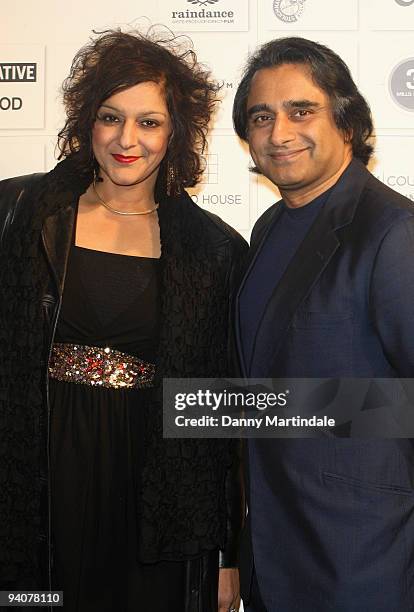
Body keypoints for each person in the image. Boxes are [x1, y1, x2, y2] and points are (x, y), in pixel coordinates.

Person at [0, 29, 246, 612]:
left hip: (154, 491)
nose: (127, 139)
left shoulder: (213, 251)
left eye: (149, 122)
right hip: (38, 477)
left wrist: (229, 555)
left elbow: (221, 418)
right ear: (88, 121)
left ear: (176, 132)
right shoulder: (19, 213)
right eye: (111, 117)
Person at [232, 37, 414, 611]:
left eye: (301, 111)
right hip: (274, 556)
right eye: (262, 116)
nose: (279, 132)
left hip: (364, 561)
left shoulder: (393, 233)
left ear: (348, 123)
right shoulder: (265, 231)